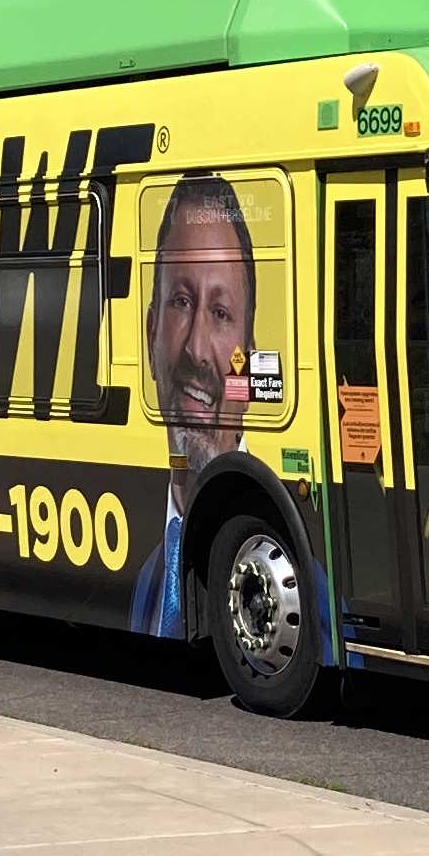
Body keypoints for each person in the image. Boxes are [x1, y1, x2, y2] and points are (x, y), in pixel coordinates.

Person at [129, 176, 256, 639]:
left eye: (221, 314)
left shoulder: (319, 595)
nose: (198, 349)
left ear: (249, 350)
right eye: (181, 302)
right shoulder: (147, 579)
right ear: (151, 336)